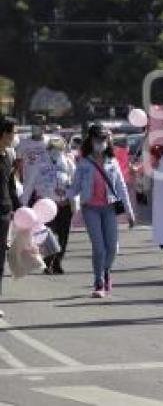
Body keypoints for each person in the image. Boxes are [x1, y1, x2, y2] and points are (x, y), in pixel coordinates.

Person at [69, 123, 135, 298]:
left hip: (109, 208)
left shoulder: (112, 161)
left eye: (104, 139)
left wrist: (130, 212)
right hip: (91, 209)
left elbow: (121, 186)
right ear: (90, 140)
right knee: (99, 248)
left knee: (112, 247)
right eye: (97, 139)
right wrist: (65, 196)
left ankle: (106, 271)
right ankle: (99, 282)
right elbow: (74, 187)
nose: (101, 142)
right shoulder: (84, 162)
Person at [22, 136, 75, 275]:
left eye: (59, 149)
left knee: (63, 235)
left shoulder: (68, 163)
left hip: (64, 204)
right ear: (48, 149)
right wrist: (23, 204)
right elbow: (30, 184)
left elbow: (75, 183)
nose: (56, 151)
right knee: (46, 234)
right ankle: (47, 262)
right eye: (53, 148)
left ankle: (57, 262)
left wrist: (71, 197)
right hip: (45, 204)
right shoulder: (39, 163)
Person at [0, 117, 22, 318]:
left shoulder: (9, 155)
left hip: (4, 213)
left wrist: (20, 210)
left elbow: (11, 186)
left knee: (0, 260)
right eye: (13, 133)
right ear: (4, 134)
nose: (15, 137)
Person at [16, 114, 49, 184]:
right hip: (27, 184)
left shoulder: (49, 143)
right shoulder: (23, 143)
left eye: (40, 124)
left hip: (44, 184)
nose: (36, 126)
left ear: (44, 126)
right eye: (35, 123)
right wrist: (20, 177)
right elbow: (18, 162)